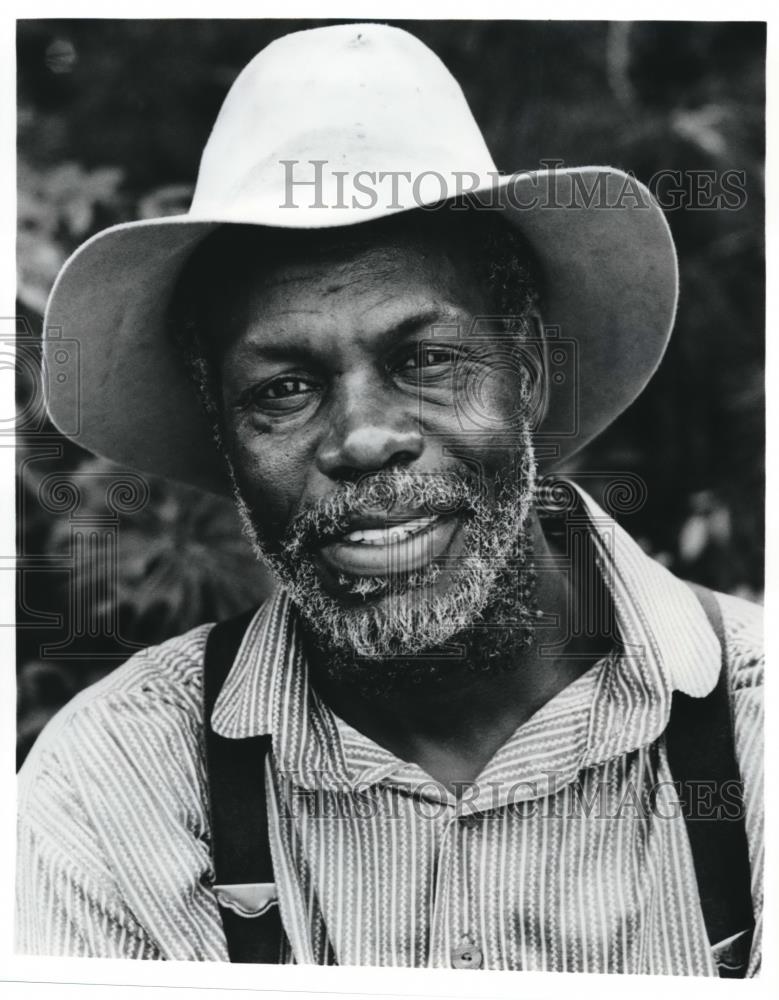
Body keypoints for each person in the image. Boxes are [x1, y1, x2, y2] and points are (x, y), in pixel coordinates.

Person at [17, 23, 762, 975]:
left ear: (529, 371)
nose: (362, 440)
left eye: (426, 358)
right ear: (223, 432)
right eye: (284, 389)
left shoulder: (753, 732)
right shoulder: (113, 792)